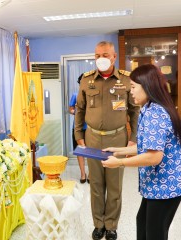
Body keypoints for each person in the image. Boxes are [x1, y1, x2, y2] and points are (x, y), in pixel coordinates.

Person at [102, 64, 181, 240]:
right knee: (143, 225)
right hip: (156, 186)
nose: (130, 92)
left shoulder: (156, 113)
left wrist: (120, 163)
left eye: (133, 87)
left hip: (165, 187)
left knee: (154, 234)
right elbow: (147, 145)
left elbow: (154, 156)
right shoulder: (148, 109)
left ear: (147, 86)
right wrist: (118, 150)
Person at [74, 41, 140, 240]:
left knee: (114, 186)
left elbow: (134, 111)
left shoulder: (126, 80)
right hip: (92, 138)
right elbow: (80, 109)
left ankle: (111, 225)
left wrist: (133, 138)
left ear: (114, 57)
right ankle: (98, 224)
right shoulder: (86, 80)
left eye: (104, 55)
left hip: (118, 138)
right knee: (96, 185)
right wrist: (78, 135)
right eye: (97, 56)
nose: (100, 59)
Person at [69, 73, 88, 184]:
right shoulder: (75, 95)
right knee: (80, 151)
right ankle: (82, 173)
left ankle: (90, 173)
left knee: (91, 151)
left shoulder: (92, 95)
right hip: (78, 128)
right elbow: (70, 109)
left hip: (91, 128)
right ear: (79, 82)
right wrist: (76, 111)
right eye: (82, 81)